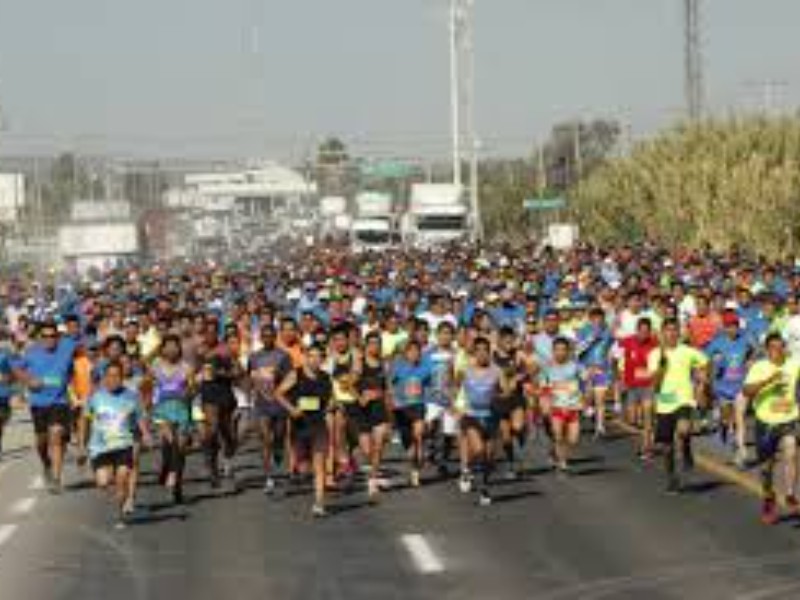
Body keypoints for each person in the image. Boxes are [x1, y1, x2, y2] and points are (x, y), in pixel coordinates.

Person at [84, 361, 151, 528]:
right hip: (100, 447)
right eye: (109, 376)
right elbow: (85, 418)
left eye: (117, 376)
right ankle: (117, 489)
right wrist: (81, 444)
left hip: (124, 444)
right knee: (103, 482)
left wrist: (146, 434)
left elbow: (140, 417)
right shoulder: (95, 397)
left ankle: (120, 515)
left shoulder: (132, 396)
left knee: (122, 478)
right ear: (104, 378)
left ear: (122, 378)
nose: (113, 379)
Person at [743, 333, 800, 525]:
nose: (778, 351)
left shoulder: (794, 364)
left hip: (789, 418)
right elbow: (746, 391)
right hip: (765, 422)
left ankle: (790, 494)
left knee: (791, 450)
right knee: (766, 469)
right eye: (773, 348)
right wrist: (768, 381)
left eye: (781, 347)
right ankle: (769, 497)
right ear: (767, 350)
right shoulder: (760, 367)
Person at [648, 318, 710, 494]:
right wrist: (662, 365)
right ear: (662, 333)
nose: (672, 333)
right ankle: (671, 478)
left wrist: (702, 382)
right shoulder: (654, 354)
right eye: (668, 330)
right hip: (664, 402)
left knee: (683, 430)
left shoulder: (687, 351)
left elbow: (706, 362)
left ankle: (686, 447)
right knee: (666, 446)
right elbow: (655, 383)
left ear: (679, 332)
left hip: (684, 399)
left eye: (675, 330)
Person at [275, 343, 334, 518]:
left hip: (318, 424)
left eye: (318, 357)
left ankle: (319, 503)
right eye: (311, 356)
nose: (315, 360)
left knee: (320, 464)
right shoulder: (296, 374)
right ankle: (302, 471)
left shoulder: (326, 377)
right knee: (304, 467)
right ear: (306, 358)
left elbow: (330, 399)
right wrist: (292, 409)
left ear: (323, 359)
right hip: (300, 425)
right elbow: (278, 393)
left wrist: (331, 405)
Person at [15, 321, 74, 493]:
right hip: (39, 403)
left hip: (59, 402)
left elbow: (80, 360)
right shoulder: (32, 354)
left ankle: (56, 479)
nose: (49, 339)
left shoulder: (67, 350)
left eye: (52, 336)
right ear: (40, 338)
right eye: (45, 336)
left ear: (58, 337)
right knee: (41, 441)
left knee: (56, 435)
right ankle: (46, 463)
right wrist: (29, 381)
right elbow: (17, 369)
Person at [706, 309, 757, 468]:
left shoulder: (745, 340)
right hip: (722, 387)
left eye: (734, 325)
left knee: (739, 418)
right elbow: (705, 361)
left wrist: (750, 361)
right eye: (729, 326)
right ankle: (723, 426)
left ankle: (741, 452)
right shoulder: (717, 343)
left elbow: (756, 351)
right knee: (727, 419)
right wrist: (714, 364)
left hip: (740, 387)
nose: (732, 329)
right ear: (724, 327)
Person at [148, 335, 194, 504]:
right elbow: (147, 385)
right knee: (169, 442)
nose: (172, 349)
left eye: (175, 346)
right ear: (162, 349)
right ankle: (169, 469)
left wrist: (188, 391)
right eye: (168, 346)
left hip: (181, 410)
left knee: (180, 448)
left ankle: (177, 483)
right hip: (162, 410)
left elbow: (192, 390)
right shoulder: (155, 365)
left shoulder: (187, 367)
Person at [248, 324, 293, 494]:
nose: (267, 339)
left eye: (270, 336)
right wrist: (252, 392)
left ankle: (278, 449)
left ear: (275, 337)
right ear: (261, 338)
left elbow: (290, 378)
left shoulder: (283, 356)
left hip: (279, 402)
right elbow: (250, 377)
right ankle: (268, 477)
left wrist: (280, 387)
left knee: (279, 436)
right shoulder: (254, 357)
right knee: (265, 439)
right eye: (264, 336)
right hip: (261, 403)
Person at [457, 336, 501, 505]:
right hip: (471, 416)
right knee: (479, 450)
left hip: (491, 417)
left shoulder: (497, 371)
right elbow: (454, 387)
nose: (482, 354)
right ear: (474, 353)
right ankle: (467, 469)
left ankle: (484, 488)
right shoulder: (465, 370)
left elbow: (504, 391)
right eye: (479, 351)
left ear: (489, 353)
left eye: (485, 351)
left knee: (488, 459)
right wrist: (456, 406)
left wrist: (501, 394)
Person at [353, 332, 391, 502]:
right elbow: (348, 383)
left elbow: (387, 389)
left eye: (377, 343)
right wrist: (360, 396)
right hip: (362, 410)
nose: (375, 346)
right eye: (372, 343)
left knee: (379, 443)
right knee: (367, 450)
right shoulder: (359, 363)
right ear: (366, 345)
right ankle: (373, 471)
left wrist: (390, 417)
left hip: (379, 408)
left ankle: (373, 479)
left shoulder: (384, 364)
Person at [390, 339, 432, 488]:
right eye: (411, 351)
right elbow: (389, 384)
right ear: (406, 353)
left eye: (417, 351)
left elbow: (430, 387)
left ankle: (416, 471)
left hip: (418, 406)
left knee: (418, 435)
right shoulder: (398, 368)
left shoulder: (426, 369)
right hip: (401, 409)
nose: (414, 354)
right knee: (410, 448)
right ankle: (414, 467)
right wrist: (392, 399)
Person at [615, 318, 658, 460]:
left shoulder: (655, 344)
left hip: (648, 385)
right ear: (637, 330)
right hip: (631, 385)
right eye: (641, 331)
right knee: (632, 419)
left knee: (647, 417)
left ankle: (646, 448)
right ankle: (647, 434)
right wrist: (619, 378)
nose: (644, 334)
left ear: (650, 331)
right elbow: (615, 358)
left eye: (646, 331)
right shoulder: (627, 342)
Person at [539, 337, 583, 475]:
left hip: (573, 407)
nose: (560, 352)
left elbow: (586, 378)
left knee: (573, 440)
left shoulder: (575, 366)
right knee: (558, 435)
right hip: (556, 406)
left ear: (568, 351)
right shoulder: (547, 367)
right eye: (557, 350)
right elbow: (543, 387)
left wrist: (587, 397)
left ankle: (556, 452)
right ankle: (562, 462)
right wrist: (544, 403)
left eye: (563, 350)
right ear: (553, 351)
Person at [576, 308, 614, 437]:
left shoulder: (608, 332)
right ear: (591, 319)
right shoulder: (583, 331)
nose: (598, 321)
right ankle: (586, 408)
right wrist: (591, 338)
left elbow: (610, 351)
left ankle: (600, 427)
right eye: (596, 319)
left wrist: (610, 369)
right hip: (586, 368)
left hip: (601, 369)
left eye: (601, 318)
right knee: (587, 396)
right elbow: (577, 350)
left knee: (600, 399)